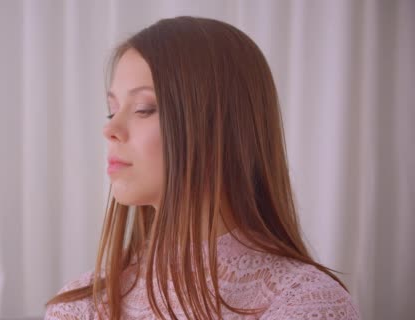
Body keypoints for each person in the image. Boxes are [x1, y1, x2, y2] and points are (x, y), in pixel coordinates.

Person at [44, 16, 360, 319]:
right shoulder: (82, 304)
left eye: (145, 108)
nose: (110, 130)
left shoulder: (305, 302)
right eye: (112, 111)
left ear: (221, 127)